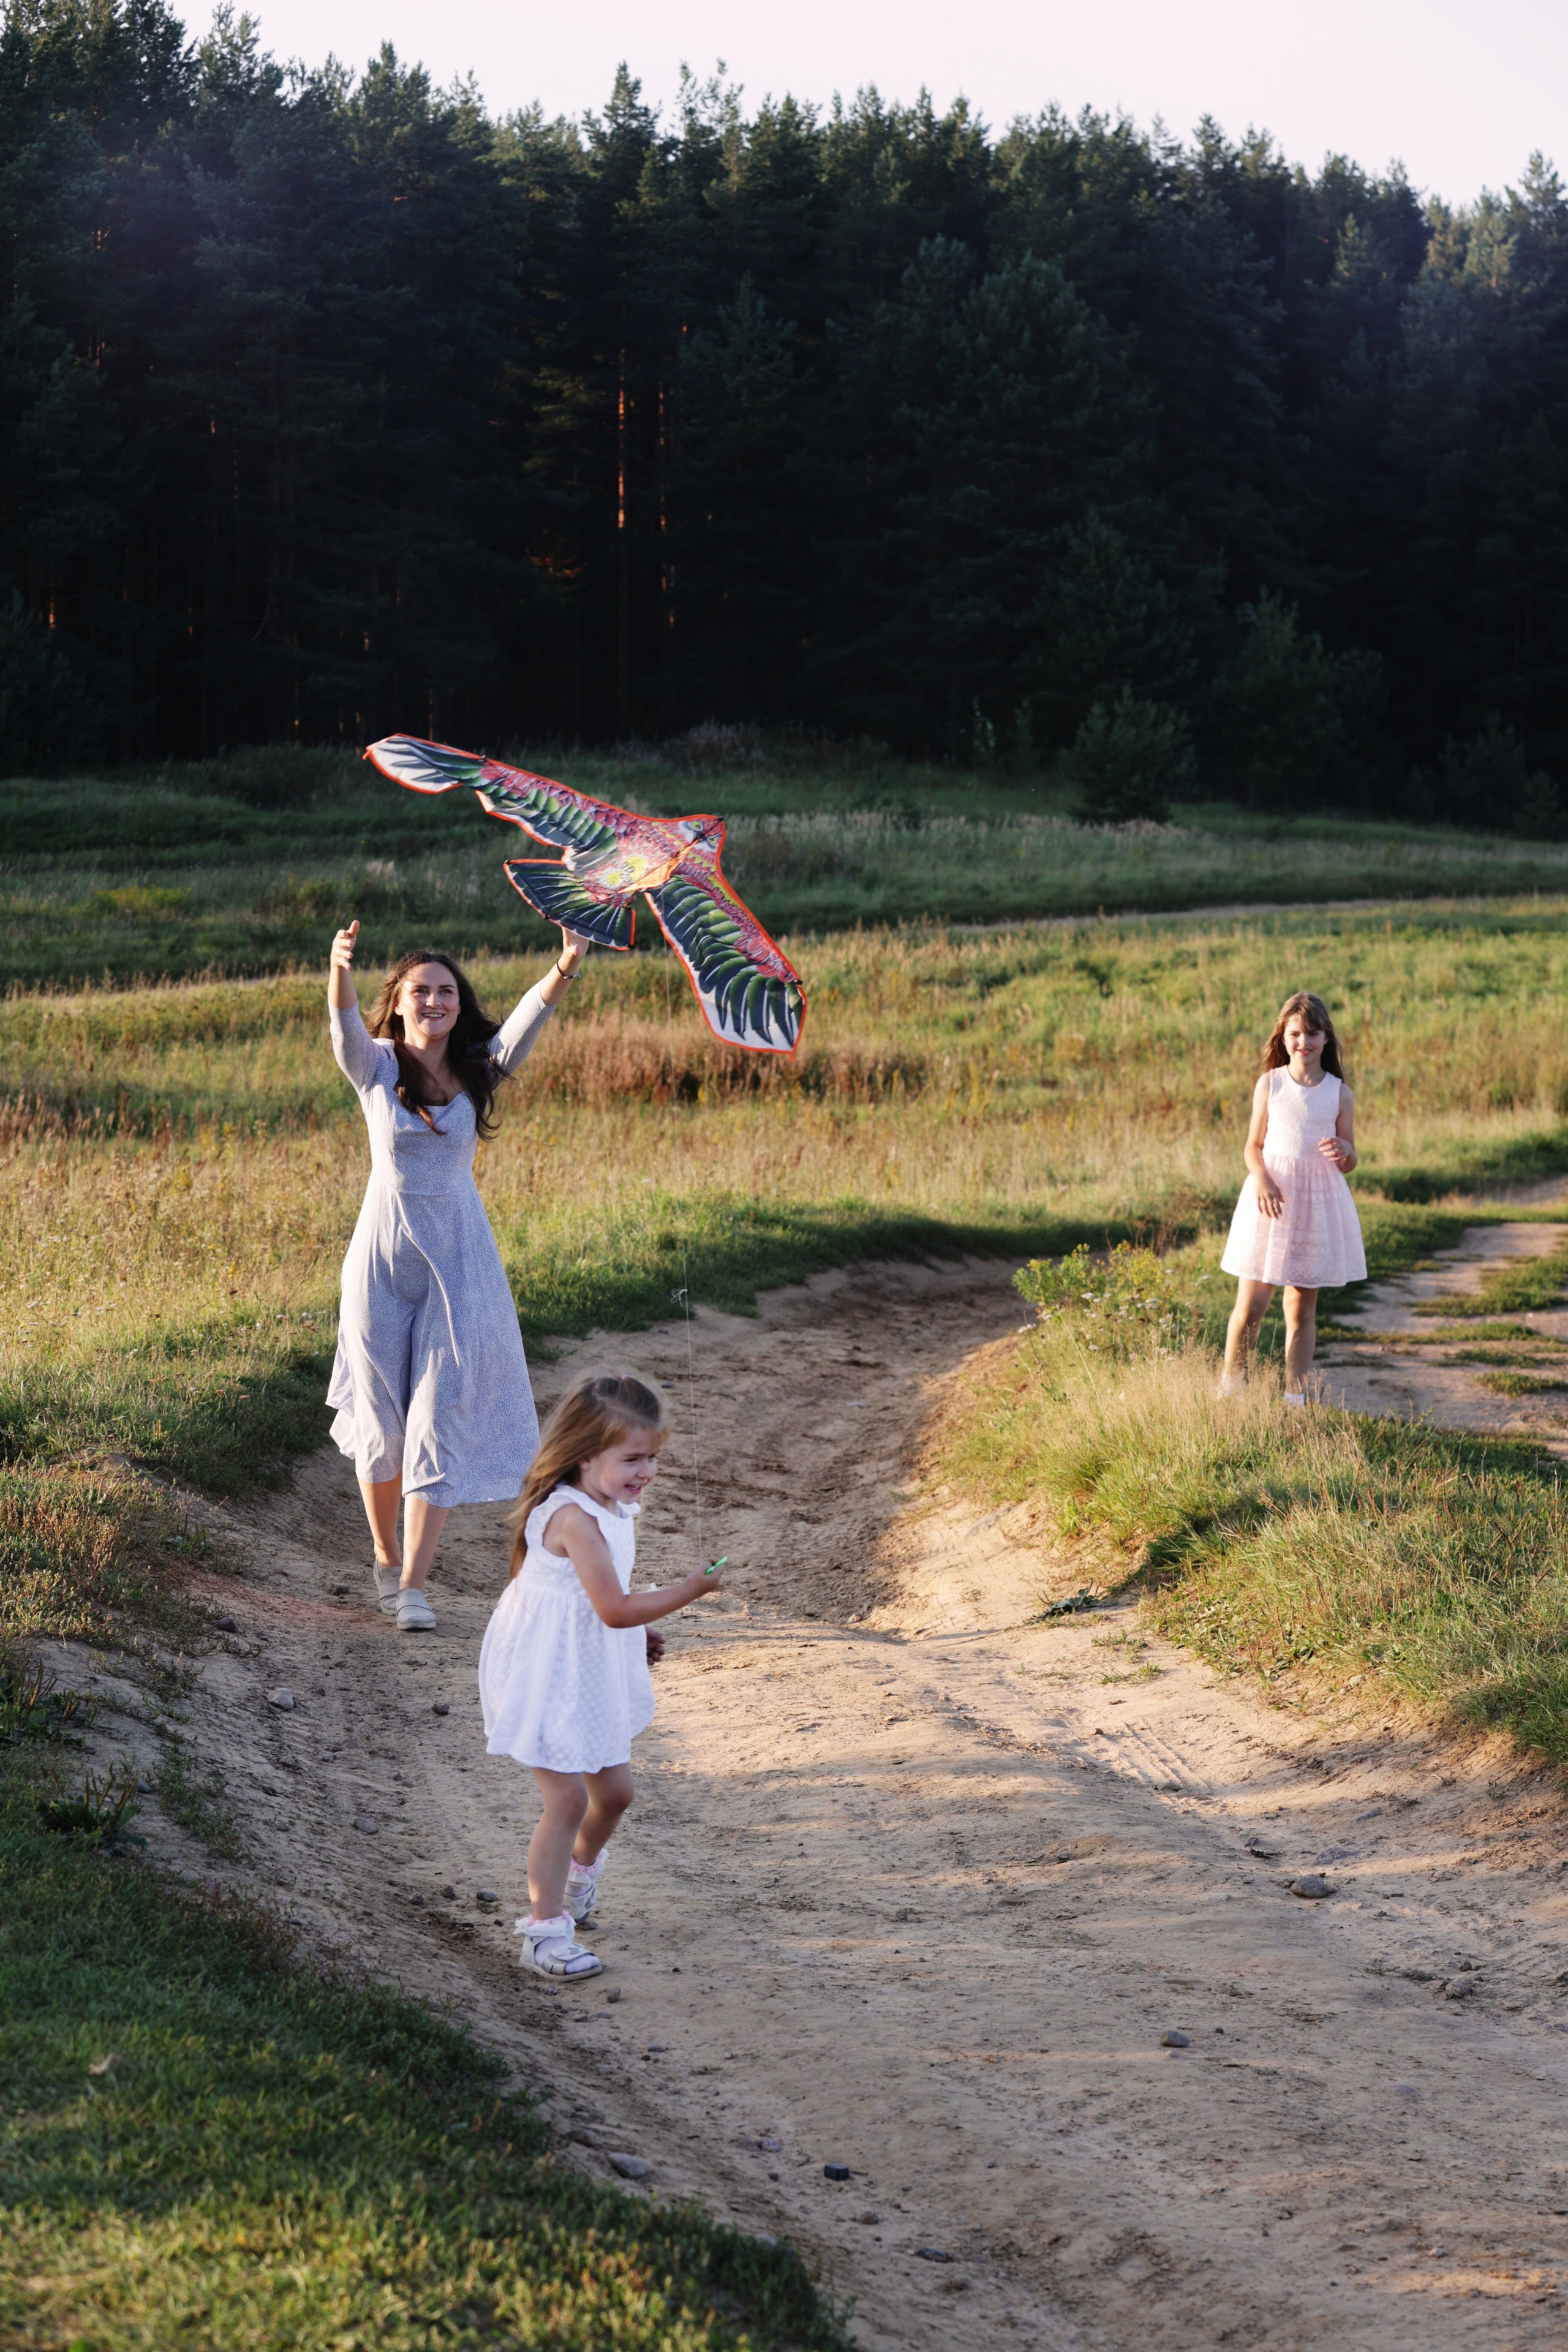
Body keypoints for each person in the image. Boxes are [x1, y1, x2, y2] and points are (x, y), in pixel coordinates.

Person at [326, 918, 592, 1631]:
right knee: (381, 1425)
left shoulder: (478, 1066)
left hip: (460, 1263)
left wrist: (566, 962)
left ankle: (413, 1584)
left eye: (446, 991)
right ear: (401, 1001)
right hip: (381, 1262)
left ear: (458, 1003)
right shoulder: (377, 1066)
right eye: (421, 991)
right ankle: (386, 1559)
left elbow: (528, 1024)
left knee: (441, 1414)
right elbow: (344, 1029)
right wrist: (340, 967)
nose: (435, 1001)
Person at [478, 1371, 725, 1981]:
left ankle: (578, 1879)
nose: (646, 1471)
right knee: (564, 1799)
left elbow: (605, 1603)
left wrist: (639, 1633)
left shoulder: (613, 1504)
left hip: (586, 1661)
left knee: (615, 1794)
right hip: (545, 1666)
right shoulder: (573, 1519)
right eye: (633, 1458)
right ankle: (544, 1932)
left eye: (654, 1458)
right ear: (585, 1455)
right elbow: (613, 1607)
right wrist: (689, 1592)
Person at [1218, 989, 1366, 1406]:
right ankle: (1230, 1389)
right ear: (1283, 1038)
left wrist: (1346, 1153)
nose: (1305, 1042)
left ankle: (1294, 1401)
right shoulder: (1270, 1084)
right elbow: (1252, 1146)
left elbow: (1351, 1157)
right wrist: (1261, 1177)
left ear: (1326, 1040)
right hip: (1271, 1200)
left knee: (1300, 1310)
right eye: (1297, 1033)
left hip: (1316, 1206)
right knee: (1251, 1306)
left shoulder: (1339, 1093)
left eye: (1314, 1034)